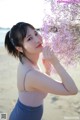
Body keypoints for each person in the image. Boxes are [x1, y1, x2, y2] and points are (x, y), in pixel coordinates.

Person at [5, 22, 78, 120]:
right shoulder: (31, 74)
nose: (37, 40)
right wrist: (55, 62)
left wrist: (47, 71)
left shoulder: (27, 62)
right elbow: (73, 90)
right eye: (29, 38)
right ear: (19, 48)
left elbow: (39, 89)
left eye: (36, 33)